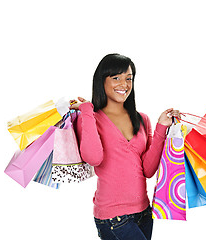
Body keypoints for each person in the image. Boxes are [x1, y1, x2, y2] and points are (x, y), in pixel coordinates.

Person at [70, 53, 180, 240]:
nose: (125, 84)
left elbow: (148, 170)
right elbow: (93, 158)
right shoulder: (90, 119)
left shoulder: (142, 119)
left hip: (145, 212)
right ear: (101, 81)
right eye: (116, 78)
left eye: (129, 78)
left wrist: (162, 127)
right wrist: (87, 109)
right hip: (113, 217)